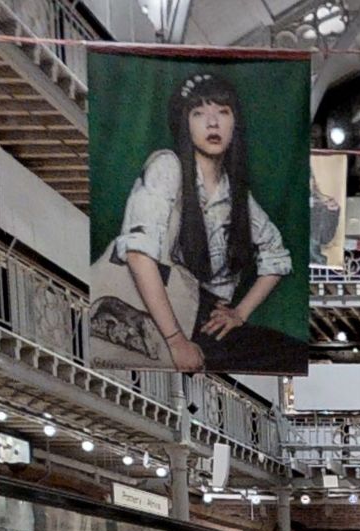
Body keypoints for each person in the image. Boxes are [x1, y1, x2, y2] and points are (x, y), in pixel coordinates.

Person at [109, 71, 304, 373]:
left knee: (293, 353)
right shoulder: (167, 167)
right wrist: (176, 341)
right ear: (185, 123)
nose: (213, 123)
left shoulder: (235, 193)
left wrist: (239, 313)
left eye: (223, 112)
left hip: (208, 321)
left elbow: (276, 257)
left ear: (234, 122)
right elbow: (137, 255)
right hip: (166, 316)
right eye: (199, 113)